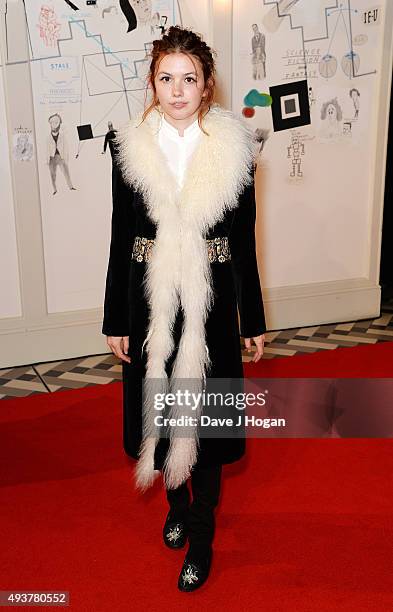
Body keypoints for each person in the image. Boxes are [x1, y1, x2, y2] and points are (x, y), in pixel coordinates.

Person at [102, 25, 267, 592]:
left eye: (188, 79)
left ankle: (201, 533)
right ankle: (176, 500)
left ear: (207, 86)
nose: (177, 90)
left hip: (213, 302)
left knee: (211, 424)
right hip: (148, 299)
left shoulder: (234, 150)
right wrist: (115, 319)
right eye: (166, 78)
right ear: (152, 83)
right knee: (162, 412)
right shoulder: (131, 147)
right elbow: (120, 235)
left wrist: (255, 319)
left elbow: (245, 240)